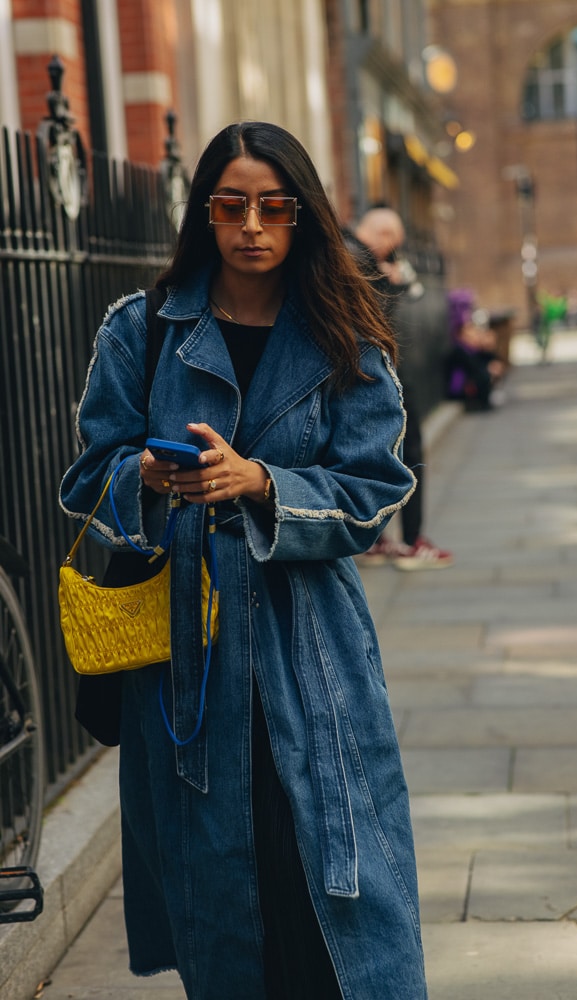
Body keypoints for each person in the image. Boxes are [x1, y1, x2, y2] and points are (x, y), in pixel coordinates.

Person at [59, 122, 428, 1000]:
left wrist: (262, 481)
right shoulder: (141, 329)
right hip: (188, 662)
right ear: (205, 214)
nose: (252, 224)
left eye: (273, 205)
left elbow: (374, 491)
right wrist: (143, 474)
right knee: (222, 896)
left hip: (313, 657)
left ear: (302, 215)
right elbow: (87, 474)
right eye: (231, 204)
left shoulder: (344, 334)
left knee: (334, 894)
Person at [344, 207, 453, 570]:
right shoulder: (359, 258)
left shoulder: (342, 250)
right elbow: (374, 311)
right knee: (409, 448)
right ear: (385, 234)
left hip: (358, 373)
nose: (393, 250)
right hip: (377, 371)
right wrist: (391, 281)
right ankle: (410, 541)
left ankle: (372, 539)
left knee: (369, 456)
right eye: (393, 242)